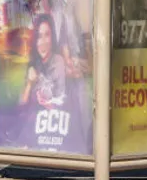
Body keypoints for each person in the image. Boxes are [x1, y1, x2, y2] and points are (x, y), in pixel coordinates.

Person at [15, 14, 92, 154]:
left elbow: (59, 100)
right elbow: (21, 104)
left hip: (56, 128)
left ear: (52, 38)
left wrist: (44, 101)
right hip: (35, 130)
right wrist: (29, 84)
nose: (43, 42)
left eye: (47, 35)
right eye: (39, 36)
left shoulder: (58, 62)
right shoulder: (34, 64)